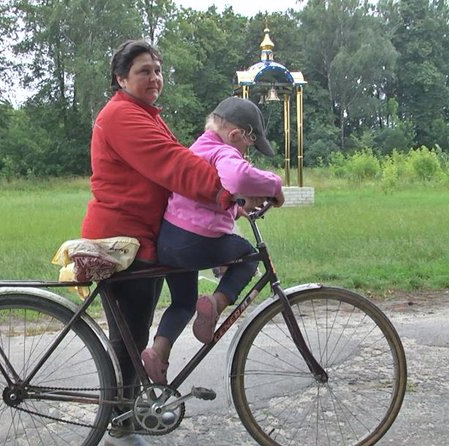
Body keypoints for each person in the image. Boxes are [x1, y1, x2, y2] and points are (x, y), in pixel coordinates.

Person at [81, 39, 236, 446]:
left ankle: (125, 414)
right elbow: (172, 162)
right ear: (121, 79)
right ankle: (120, 419)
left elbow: (175, 162)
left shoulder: (142, 113)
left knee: (133, 330)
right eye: (143, 71)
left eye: (157, 70)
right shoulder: (122, 116)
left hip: (142, 236)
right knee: (129, 333)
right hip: (121, 239)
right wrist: (226, 190)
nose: (154, 78)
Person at [140, 97, 285, 385]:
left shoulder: (197, 149)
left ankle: (158, 352)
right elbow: (238, 177)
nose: (246, 154)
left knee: (182, 302)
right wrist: (275, 187)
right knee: (248, 257)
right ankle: (216, 303)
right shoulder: (223, 152)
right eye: (247, 147)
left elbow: (207, 194)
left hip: (169, 241)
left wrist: (236, 208)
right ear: (235, 135)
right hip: (197, 241)